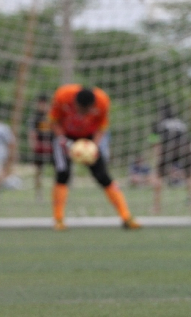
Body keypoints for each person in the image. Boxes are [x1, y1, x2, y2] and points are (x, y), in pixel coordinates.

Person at [49, 85, 140, 230]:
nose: (83, 113)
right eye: (80, 109)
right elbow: (53, 121)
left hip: (89, 138)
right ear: (75, 103)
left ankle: (126, 217)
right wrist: (62, 140)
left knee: (103, 176)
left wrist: (93, 147)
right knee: (63, 174)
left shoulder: (103, 101)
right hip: (65, 137)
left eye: (87, 111)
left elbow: (102, 128)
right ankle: (58, 220)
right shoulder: (62, 96)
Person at [150, 104, 191, 214]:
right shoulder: (180, 123)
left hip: (168, 148)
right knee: (189, 176)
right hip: (185, 148)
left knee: (158, 176)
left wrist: (158, 157)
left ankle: (156, 207)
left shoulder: (159, 124)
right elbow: (187, 139)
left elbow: (155, 142)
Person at [27, 94, 53, 200]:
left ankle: (57, 191)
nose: (42, 106)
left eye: (44, 103)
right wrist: (33, 144)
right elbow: (32, 132)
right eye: (40, 103)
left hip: (52, 146)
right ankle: (39, 193)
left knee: (58, 169)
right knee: (38, 171)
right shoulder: (35, 117)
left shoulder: (52, 116)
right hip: (40, 147)